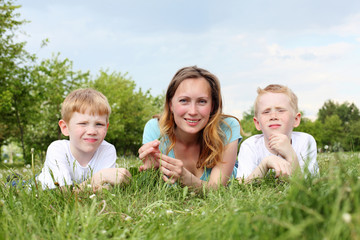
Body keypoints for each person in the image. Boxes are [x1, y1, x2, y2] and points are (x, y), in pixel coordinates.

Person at [138, 66, 242, 188]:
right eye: (184, 100)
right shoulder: (156, 129)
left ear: (212, 106)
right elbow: (150, 188)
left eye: (202, 101)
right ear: (171, 104)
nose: (193, 111)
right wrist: (150, 169)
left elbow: (217, 188)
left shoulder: (227, 128)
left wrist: (187, 179)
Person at [36, 88, 131, 192]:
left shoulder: (107, 150)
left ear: (106, 128)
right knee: (16, 184)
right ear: (65, 128)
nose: (92, 131)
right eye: (83, 123)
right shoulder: (57, 149)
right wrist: (98, 178)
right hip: (36, 186)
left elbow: (105, 190)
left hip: (76, 187)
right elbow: (63, 194)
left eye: (99, 124)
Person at [236, 84, 319, 183]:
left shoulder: (306, 141)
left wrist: (290, 154)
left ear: (296, 120)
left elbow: (309, 184)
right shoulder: (250, 145)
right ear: (257, 123)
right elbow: (242, 185)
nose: (273, 116)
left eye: (281, 110)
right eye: (266, 112)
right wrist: (265, 164)